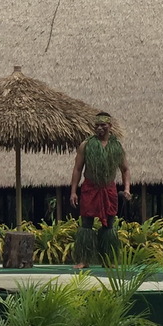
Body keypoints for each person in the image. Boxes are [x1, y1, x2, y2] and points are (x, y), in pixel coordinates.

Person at [70, 112, 131, 268]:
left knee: (109, 225)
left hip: (108, 188)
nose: (99, 128)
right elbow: (77, 169)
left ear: (110, 126)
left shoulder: (116, 146)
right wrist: (73, 192)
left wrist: (127, 189)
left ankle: (108, 259)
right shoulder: (86, 145)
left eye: (103, 125)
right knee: (86, 224)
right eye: (96, 125)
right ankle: (84, 259)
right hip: (90, 187)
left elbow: (125, 169)